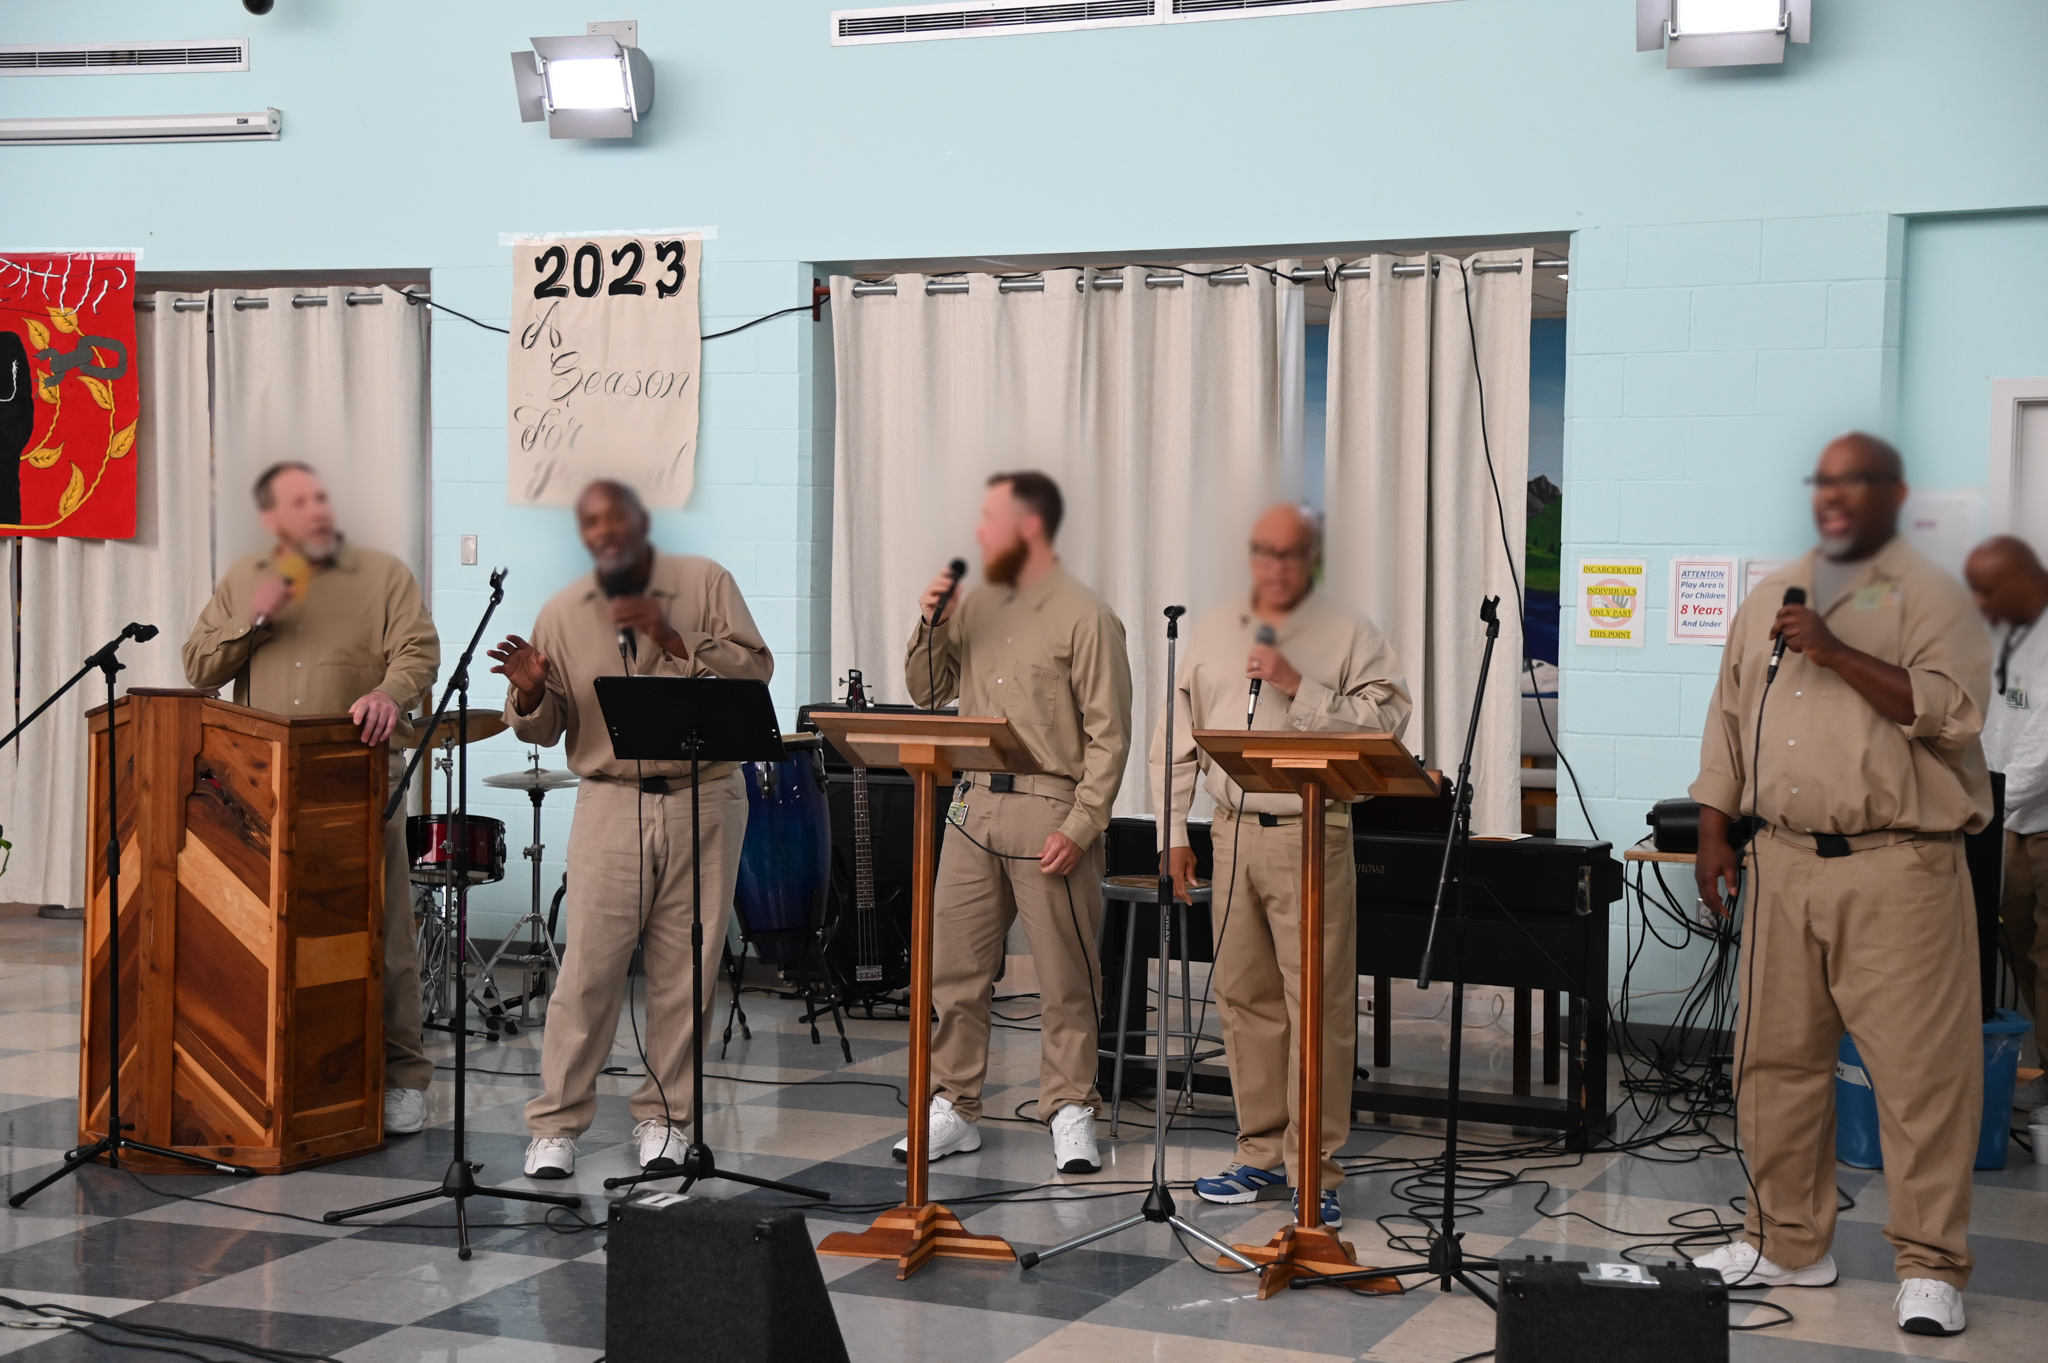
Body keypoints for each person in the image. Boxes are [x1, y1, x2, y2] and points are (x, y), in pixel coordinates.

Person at [1689, 433, 1990, 1338]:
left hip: (1899, 866)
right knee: (1772, 1063)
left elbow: (1951, 712)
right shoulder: (1772, 595)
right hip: (1781, 861)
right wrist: (1714, 831)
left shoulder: (1932, 595)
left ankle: (1931, 1265)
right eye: (1824, 481)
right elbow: (1729, 718)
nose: (1835, 497)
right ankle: (1788, 1240)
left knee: (1920, 1077)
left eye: (1856, 482)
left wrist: (1833, 648)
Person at [489, 479, 772, 1179]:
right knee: (587, 969)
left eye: (617, 518)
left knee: (686, 971)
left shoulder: (706, 582)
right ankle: (556, 1124)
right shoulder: (562, 610)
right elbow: (549, 723)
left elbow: (756, 668)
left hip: (703, 795)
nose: (605, 532)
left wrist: (677, 639)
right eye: (591, 523)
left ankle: (666, 1120)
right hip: (609, 801)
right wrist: (527, 689)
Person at [1152, 504, 1411, 1230]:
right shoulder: (1210, 629)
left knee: (1317, 1009)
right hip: (1231, 834)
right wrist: (1175, 831)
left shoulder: (1351, 631)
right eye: (1263, 551)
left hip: (1311, 833)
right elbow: (1176, 736)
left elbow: (1387, 722)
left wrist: (1301, 684)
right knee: (1244, 1000)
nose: (1275, 566)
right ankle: (1261, 1153)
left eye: (1291, 553)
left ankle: (1314, 1169)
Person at [183, 462, 441, 1135]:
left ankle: (404, 1073)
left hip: (357, 784)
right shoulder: (245, 578)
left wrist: (389, 692)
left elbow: (419, 650)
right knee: (272, 932)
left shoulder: (383, 575)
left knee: (382, 933)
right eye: (300, 501)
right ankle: (284, 1067)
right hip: (261, 793)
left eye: (322, 495)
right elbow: (199, 666)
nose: (318, 508)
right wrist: (254, 617)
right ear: (272, 519)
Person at [901, 471, 1133, 1175]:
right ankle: (953, 1106)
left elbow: (1109, 735)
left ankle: (1069, 1108)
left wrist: (1084, 821)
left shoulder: (1086, 616)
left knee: (1064, 975)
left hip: (1049, 807)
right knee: (955, 969)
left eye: (991, 518)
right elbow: (926, 691)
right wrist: (931, 621)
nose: (979, 531)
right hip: (973, 804)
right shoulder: (975, 609)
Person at [1964, 534, 2048, 1113]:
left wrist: (1984, 813)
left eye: (1989, 590)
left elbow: (2040, 753)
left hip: (2034, 823)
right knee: (2023, 956)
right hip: (2007, 826)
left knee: (2047, 960)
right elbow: (1988, 727)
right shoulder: (2003, 637)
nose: (1981, 603)